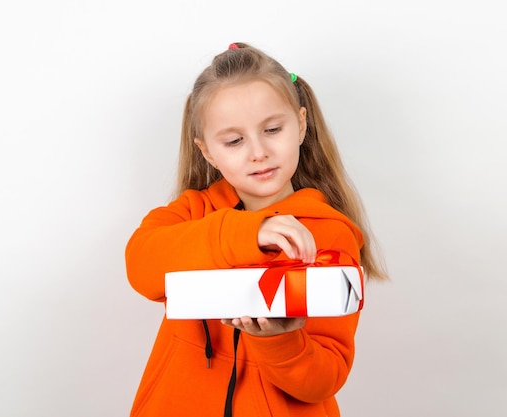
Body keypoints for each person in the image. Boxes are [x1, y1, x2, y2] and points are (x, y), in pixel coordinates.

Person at [125, 42, 387, 417]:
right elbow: (140, 266)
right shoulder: (194, 212)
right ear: (207, 151)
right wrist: (248, 233)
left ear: (301, 124)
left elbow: (324, 379)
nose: (258, 152)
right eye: (234, 141)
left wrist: (281, 342)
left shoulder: (328, 235)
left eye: (272, 129)